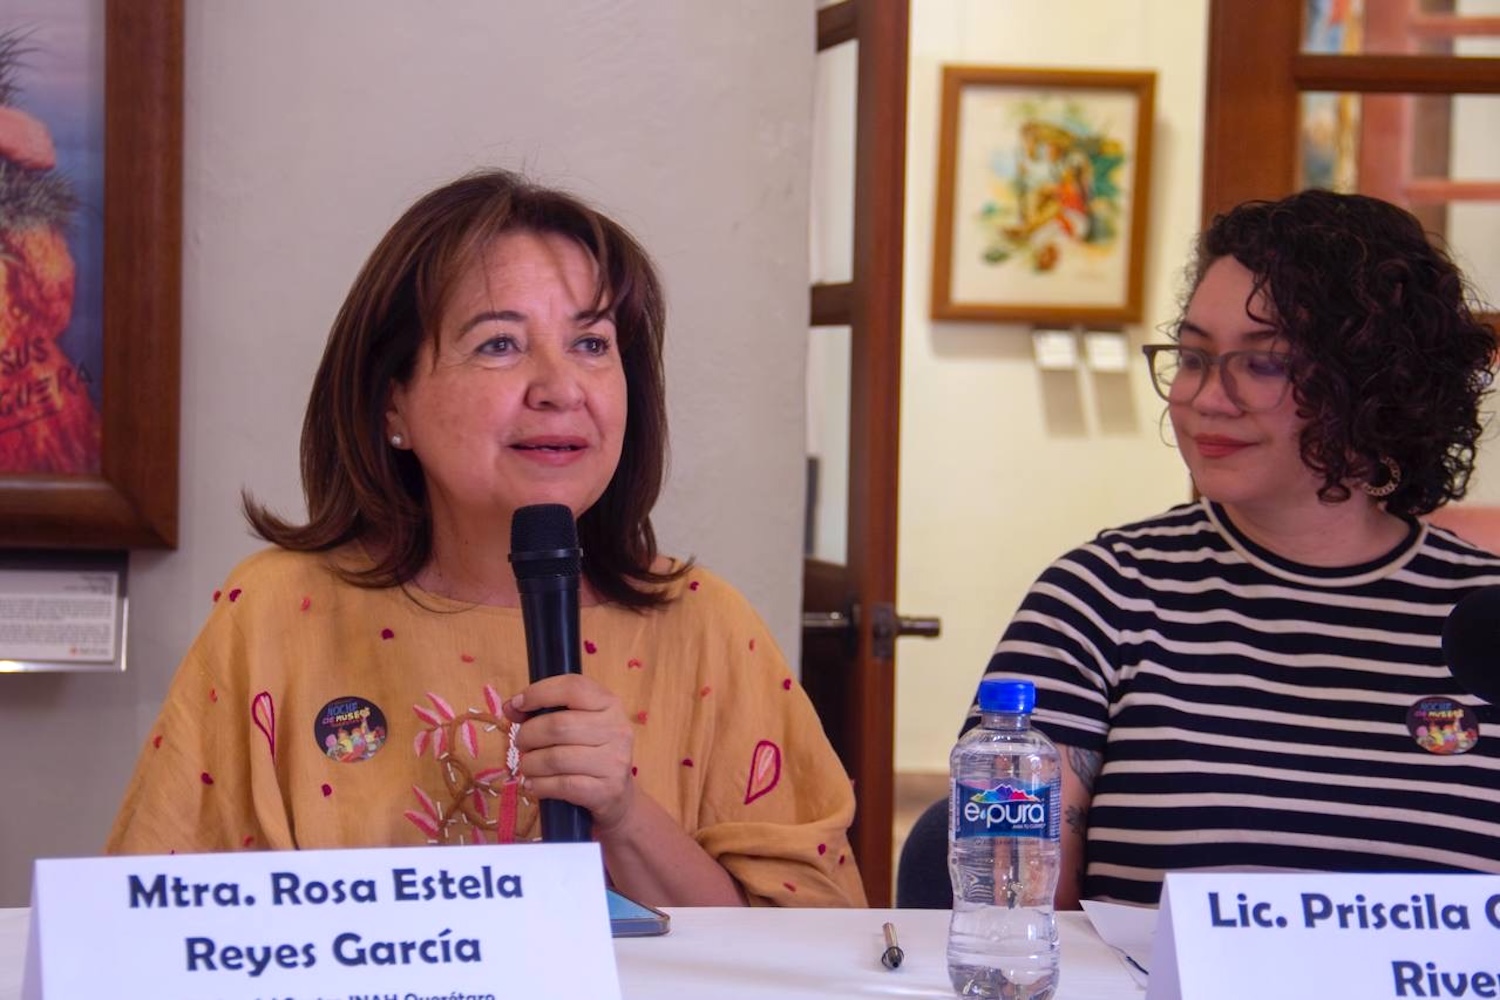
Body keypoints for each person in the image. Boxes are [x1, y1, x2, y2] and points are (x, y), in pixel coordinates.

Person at [106, 169, 867, 909]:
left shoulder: (706, 624)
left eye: (592, 344)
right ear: (392, 404)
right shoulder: (276, 613)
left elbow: (808, 949)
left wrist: (623, 812)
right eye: (500, 344)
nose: (560, 388)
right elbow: (146, 923)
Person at [965, 189, 1500, 909]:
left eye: (1264, 363)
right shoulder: (1100, 600)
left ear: (1382, 384)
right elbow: (1007, 921)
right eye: (1193, 357)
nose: (1207, 398)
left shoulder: (1482, 623)